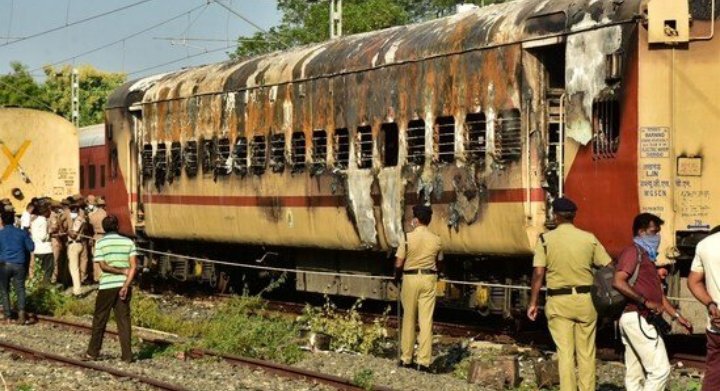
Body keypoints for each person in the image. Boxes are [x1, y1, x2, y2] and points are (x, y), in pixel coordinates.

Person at [527, 197, 612, 391]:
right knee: (587, 353)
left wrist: (533, 302)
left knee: (565, 354)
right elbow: (608, 266)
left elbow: (539, 272)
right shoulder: (589, 238)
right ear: (573, 216)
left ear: (555, 216)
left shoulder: (545, 240)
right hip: (586, 301)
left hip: (559, 302)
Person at [613, 213, 692, 391]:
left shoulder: (647, 257)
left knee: (635, 374)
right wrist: (645, 302)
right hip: (637, 316)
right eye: (653, 232)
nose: (657, 237)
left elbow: (659, 296)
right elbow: (618, 281)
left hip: (636, 318)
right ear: (641, 232)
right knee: (660, 370)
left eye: (657, 232)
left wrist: (677, 316)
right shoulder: (633, 252)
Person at [394, 204, 443, 372]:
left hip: (410, 278)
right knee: (426, 320)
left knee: (408, 318)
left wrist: (396, 276)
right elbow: (439, 262)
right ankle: (424, 362)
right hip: (429, 278)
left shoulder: (407, 238)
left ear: (415, 219)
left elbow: (399, 262)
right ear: (428, 221)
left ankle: (406, 358)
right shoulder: (436, 239)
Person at [85, 215, 137, 362]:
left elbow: (103, 266)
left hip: (107, 286)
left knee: (100, 319)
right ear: (117, 226)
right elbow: (133, 267)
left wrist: (120, 271)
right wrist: (126, 284)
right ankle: (127, 356)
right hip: (123, 285)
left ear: (103, 228)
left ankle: (92, 352)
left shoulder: (101, 243)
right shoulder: (128, 242)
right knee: (124, 321)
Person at [688, 225, 720, 390]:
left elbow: (693, 281)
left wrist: (711, 303)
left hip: (716, 324)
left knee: (714, 374)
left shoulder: (705, 244)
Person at [0, 211, 35, 324]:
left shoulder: (0, 234)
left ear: (2, 221)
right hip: (19, 264)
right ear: (14, 220)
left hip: (4, 264)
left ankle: (8, 317)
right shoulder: (22, 233)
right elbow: (31, 247)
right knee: (20, 290)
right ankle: (21, 315)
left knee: (5, 290)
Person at [30, 203, 54, 283]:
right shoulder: (43, 221)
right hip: (45, 249)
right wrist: (49, 232)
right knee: (48, 269)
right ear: (45, 212)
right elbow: (43, 237)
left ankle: (38, 285)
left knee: (39, 270)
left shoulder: (34, 220)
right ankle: (45, 286)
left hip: (36, 248)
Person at [67, 202, 87, 296]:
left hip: (74, 244)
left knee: (74, 269)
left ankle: (77, 291)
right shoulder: (81, 219)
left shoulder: (78, 220)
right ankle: (76, 289)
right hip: (79, 244)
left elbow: (74, 234)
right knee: (75, 268)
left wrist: (68, 231)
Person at [88, 197, 108, 283]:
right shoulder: (106, 214)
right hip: (105, 237)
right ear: (104, 205)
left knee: (96, 259)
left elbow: (89, 227)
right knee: (105, 258)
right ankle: (104, 277)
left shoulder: (92, 215)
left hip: (96, 236)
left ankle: (97, 277)